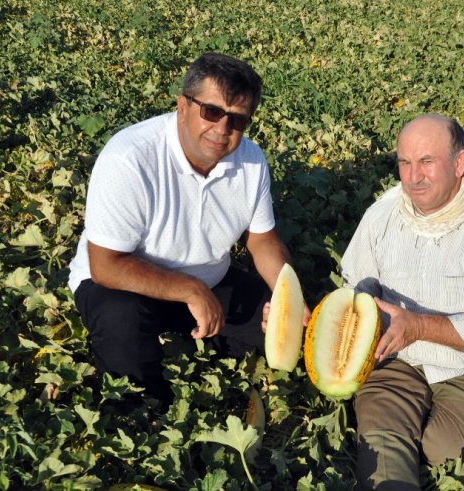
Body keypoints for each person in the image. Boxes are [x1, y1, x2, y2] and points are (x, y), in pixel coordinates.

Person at [68, 53, 306, 406]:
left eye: (238, 120)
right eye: (211, 112)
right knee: (123, 330)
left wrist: (289, 296)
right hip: (122, 285)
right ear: (182, 106)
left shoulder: (252, 161)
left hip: (208, 282)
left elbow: (262, 239)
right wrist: (190, 290)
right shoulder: (130, 158)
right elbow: (106, 265)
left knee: (280, 332)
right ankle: (148, 418)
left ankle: (201, 336)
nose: (223, 129)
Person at [341, 114, 464, 489]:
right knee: (382, 442)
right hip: (397, 360)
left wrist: (419, 326)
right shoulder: (381, 216)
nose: (413, 177)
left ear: (460, 163)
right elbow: (355, 286)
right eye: (405, 163)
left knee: (446, 451)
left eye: (427, 162)